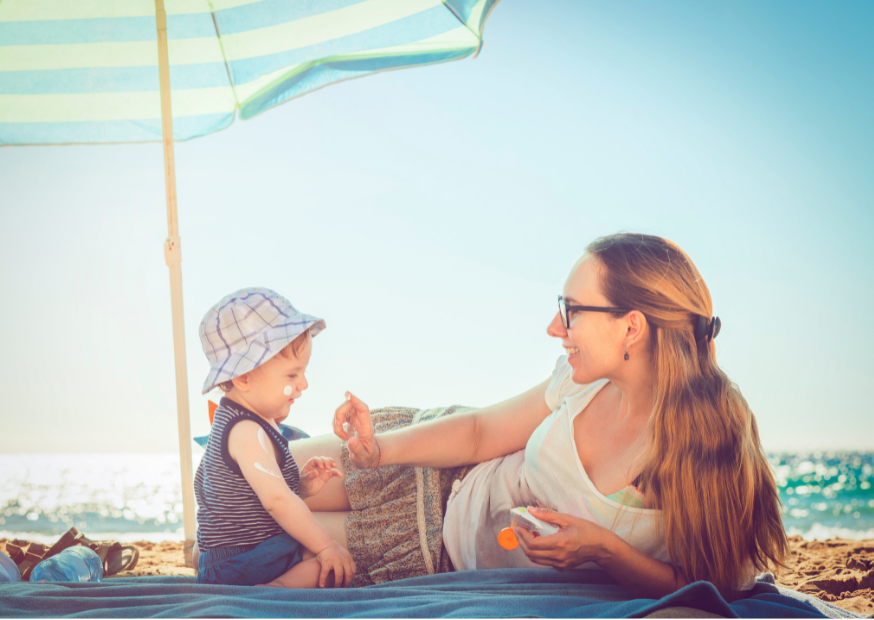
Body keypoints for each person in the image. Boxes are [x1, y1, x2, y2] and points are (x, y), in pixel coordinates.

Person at [290, 233, 788, 597]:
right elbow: (480, 432)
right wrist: (380, 451)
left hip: (428, 547)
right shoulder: (580, 380)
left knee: (268, 534)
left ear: (631, 327)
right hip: (430, 469)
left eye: (571, 309)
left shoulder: (711, 439)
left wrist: (603, 550)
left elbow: (710, 584)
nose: (554, 327)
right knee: (256, 479)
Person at [193, 287, 356, 588]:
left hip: (243, 558)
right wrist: (327, 546)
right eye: (292, 375)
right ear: (243, 377)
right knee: (322, 560)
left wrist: (302, 487)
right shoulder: (245, 431)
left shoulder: (251, 420)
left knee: (313, 549)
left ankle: (271, 588)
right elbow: (277, 501)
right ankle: (269, 594)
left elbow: (256, 497)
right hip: (238, 563)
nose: (304, 384)